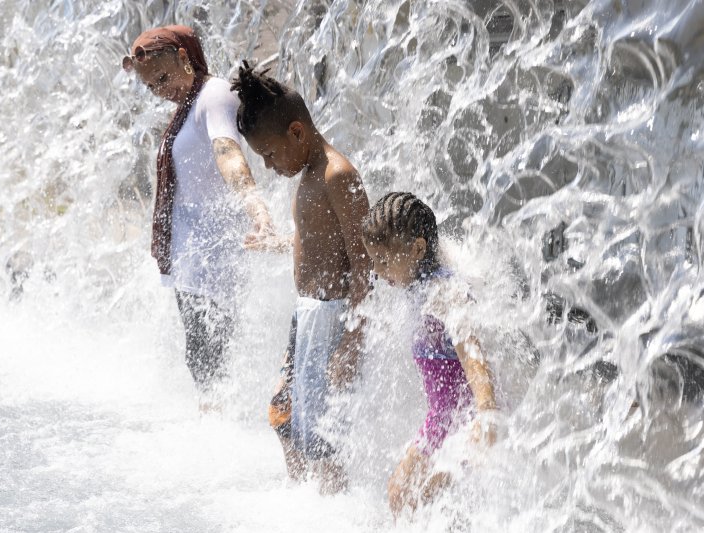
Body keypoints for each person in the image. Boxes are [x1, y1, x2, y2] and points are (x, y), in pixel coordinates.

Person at [230, 61, 371, 493]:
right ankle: (302, 502)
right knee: (285, 417)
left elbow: (365, 265)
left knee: (324, 434)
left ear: (296, 132)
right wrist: (279, 245)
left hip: (333, 321)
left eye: (270, 155)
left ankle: (331, 503)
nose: (270, 167)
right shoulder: (306, 175)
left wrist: (354, 337)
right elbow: (311, 238)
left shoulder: (337, 175)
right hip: (306, 318)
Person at [122, 26, 276, 411]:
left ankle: (221, 436)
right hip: (193, 263)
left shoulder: (214, 95)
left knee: (211, 363)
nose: (159, 90)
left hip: (216, 264)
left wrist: (256, 206)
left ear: (183, 57)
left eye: (161, 78)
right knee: (202, 362)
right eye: (150, 86)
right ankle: (214, 430)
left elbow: (227, 151)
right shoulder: (188, 105)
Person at [361, 192, 499, 518]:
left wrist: (486, 414)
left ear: (418, 249)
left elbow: (473, 354)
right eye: (373, 261)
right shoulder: (414, 288)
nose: (378, 272)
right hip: (439, 420)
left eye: (383, 260)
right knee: (399, 494)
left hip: (468, 419)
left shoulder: (444, 292)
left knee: (426, 500)